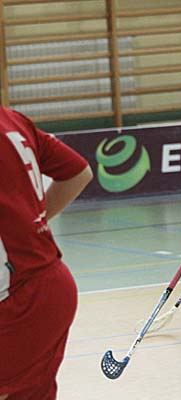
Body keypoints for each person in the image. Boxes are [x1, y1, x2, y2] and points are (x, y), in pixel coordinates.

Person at [0, 107, 92, 399]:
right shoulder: (12, 119)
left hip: (21, 297)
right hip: (46, 286)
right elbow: (78, 173)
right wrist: (32, 222)